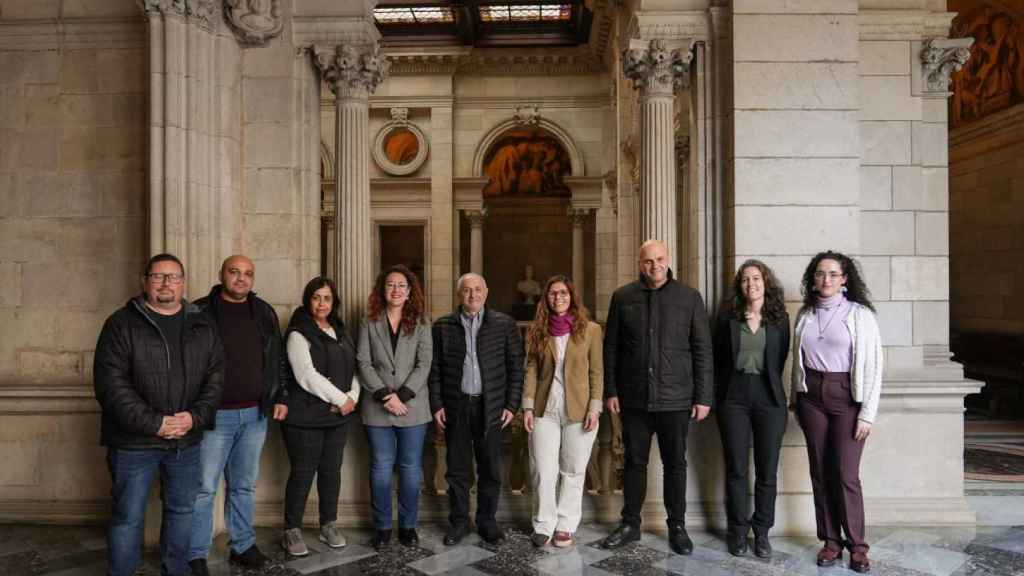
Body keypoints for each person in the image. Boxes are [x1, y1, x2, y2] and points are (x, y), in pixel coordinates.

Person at [93, 253, 223, 576]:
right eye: (158, 276)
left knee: (182, 512)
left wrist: (193, 417)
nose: (167, 283)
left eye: (174, 277)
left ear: (184, 282)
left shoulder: (202, 324)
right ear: (144, 281)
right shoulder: (120, 324)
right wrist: (157, 423)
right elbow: (111, 386)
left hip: (186, 441)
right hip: (133, 443)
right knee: (128, 516)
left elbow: (216, 378)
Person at [600, 239, 713, 555]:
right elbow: (611, 348)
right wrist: (610, 390)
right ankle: (630, 524)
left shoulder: (689, 298)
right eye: (648, 261)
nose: (655, 265)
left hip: (676, 399)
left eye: (660, 259)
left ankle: (676, 526)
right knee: (634, 462)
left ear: (668, 259)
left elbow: (703, 350)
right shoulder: (623, 298)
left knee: (675, 464)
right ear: (640, 263)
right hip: (633, 398)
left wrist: (703, 396)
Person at [186, 255, 288, 575]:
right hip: (214, 418)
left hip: (255, 415)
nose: (241, 279)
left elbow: (277, 359)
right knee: (204, 488)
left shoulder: (263, 312)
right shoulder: (198, 311)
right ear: (222, 275)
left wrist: (280, 395)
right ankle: (196, 552)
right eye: (234, 272)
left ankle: (242, 545)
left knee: (244, 485)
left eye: (247, 274)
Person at [792, 251, 882, 574]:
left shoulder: (860, 315)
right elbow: (797, 361)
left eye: (832, 274)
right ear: (813, 279)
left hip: (847, 398)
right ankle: (831, 541)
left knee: (846, 474)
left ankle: (857, 545)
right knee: (820, 470)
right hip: (811, 398)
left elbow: (874, 367)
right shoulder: (806, 313)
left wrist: (867, 414)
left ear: (845, 279)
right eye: (819, 274)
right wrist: (796, 397)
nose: (825, 280)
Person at [429, 273, 524, 546]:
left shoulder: (504, 325)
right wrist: (437, 405)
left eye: (477, 290)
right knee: (457, 469)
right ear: (459, 295)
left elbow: (516, 368)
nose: (472, 295)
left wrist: (511, 404)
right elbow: (435, 371)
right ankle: (458, 523)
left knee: (490, 468)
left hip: (491, 406)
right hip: (456, 405)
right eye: (467, 291)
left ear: (486, 292)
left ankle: (486, 522)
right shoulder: (443, 326)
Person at [713, 260, 790, 558]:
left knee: (767, 471)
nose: (751, 284)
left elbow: (781, 359)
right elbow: (719, 360)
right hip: (734, 398)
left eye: (756, 278)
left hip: (769, 399)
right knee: (736, 469)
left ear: (765, 282)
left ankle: (762, 533)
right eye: (745, 280)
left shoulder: (780, 319)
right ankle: (737, 532)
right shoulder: (727, 319)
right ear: (739, 286)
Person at [280, 277, 361, 557]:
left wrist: (352, 398)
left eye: (327, 298)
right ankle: (291, 531)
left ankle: (328, 524)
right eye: (316, 297)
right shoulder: (297, 333)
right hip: (305, 418)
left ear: (333, 302)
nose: (322, 303)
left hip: (337, 417)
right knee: (303, 473)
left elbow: (355, 369)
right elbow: (306, 376)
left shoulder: (341, 330)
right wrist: (342, 400)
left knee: (331, 473)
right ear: (308, 300)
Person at [522, 275, 603, 549]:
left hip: (579, 409)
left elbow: (597, 372)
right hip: (545, 408)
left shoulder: (590, 330)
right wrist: (528, 406)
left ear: (572, 297)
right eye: (553, 293)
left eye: (564, 293)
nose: (559, 298)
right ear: (546, 298)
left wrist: (595, 408)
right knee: (544, 469)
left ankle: (566, 525)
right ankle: (543, 524)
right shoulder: (538, 329)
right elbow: (531, 369)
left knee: (573, 469)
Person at [357, 265, 432, 549]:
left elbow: (424, 364)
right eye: (390, 284)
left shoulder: (423, 322)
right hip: (378, 407)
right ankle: (383, 527)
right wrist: (386, 396)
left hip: (413, 407)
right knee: (380, 467)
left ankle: (409, 526)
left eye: (401, 285)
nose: (396, 290)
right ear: (382, 289)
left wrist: (401, 396)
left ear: (410, 291)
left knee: (411, 469)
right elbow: (363, 361)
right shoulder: (369, 321)